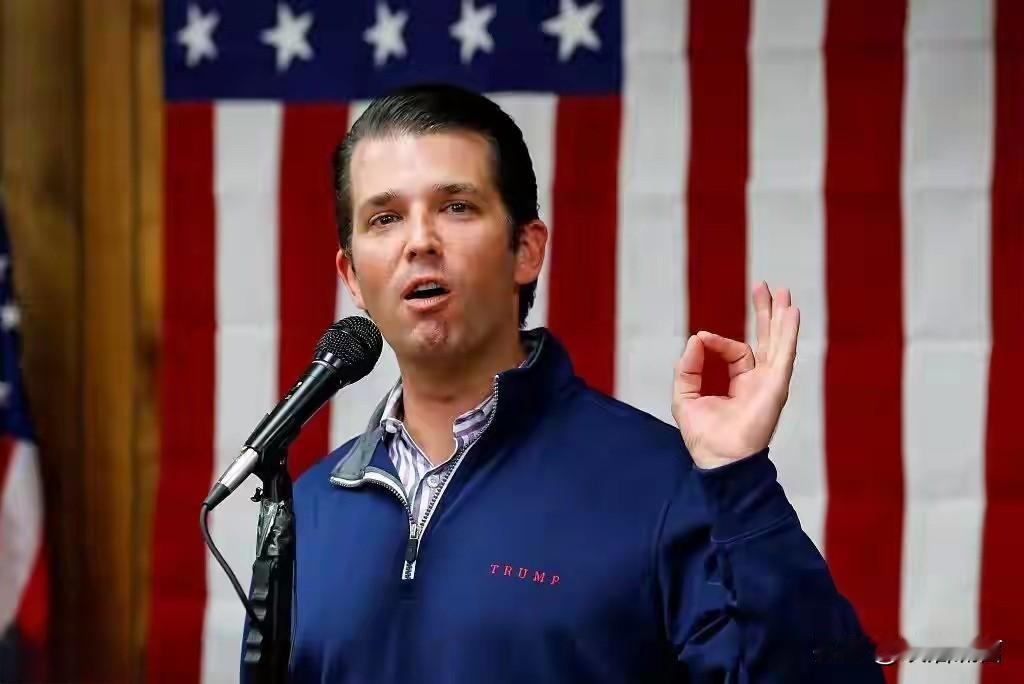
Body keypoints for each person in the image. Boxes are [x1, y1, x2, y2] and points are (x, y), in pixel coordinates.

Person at [272, 84, 883, 682]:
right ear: (352, 276)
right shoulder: (312, 508)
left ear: (526, 250)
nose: (419, 242)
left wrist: (739, 480)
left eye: (456, 206)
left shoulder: (662, 485)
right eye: (385, 218)